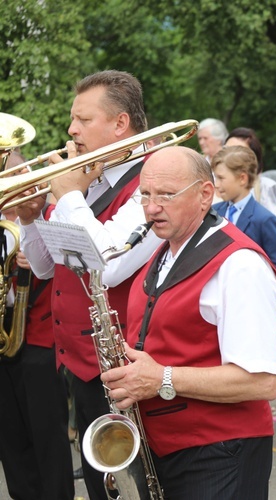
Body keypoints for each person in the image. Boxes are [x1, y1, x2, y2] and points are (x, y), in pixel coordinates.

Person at [100, 146, 276, 498]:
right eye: (146, 194)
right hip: (167, 449)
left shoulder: (239, 265)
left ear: (205, 195)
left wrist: (161, 378)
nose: (152, 207)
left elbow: (262, 382)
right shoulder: (164, 249)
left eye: (167, 194)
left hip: (221, 454)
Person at [17, 70, 163, 500]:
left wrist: (66, 197)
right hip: (80, 363)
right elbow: (47, 268)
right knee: (105, 488)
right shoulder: (85, 180)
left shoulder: (153, 183)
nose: (70, 130)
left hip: (129, 363)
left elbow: (110, 267)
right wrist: (29, 216)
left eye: (82, 120)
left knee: (145, 485)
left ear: (120, 125)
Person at [0, 153, 74, 500]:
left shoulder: (51, 214)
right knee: (10, 442)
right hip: (4, 341)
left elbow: (76, 268)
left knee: (48, 439)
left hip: (42, 341)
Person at [211, 146, 276, 280]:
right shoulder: (214, 212)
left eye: (221, 178)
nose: (216, 184)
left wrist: (251, 280)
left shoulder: (264, 219)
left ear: (242, 178)